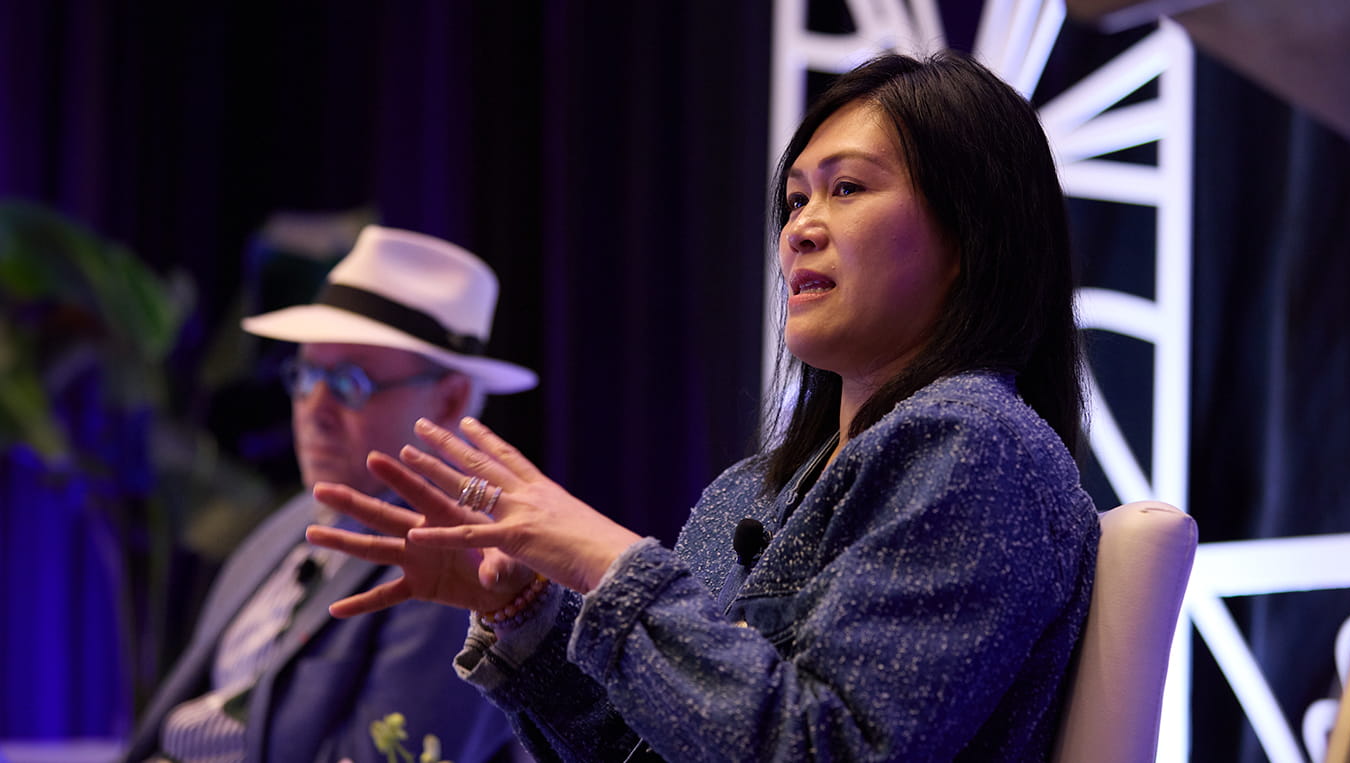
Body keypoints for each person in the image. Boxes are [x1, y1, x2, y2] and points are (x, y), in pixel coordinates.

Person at [308, 51, 1100, 761]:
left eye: (847, 188)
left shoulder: (979, 448)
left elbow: (828, 748)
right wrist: (529, 612)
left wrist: (606, 561)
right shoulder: (745, 494)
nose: (799, 231)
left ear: (968, 235)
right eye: (794, 200)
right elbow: (648, 747)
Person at [122, 225, 536, 763]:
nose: (313, 407)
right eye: (306, 374)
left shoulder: (473, 567)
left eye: (349, 383)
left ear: (450, 397)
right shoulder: (286, 524)